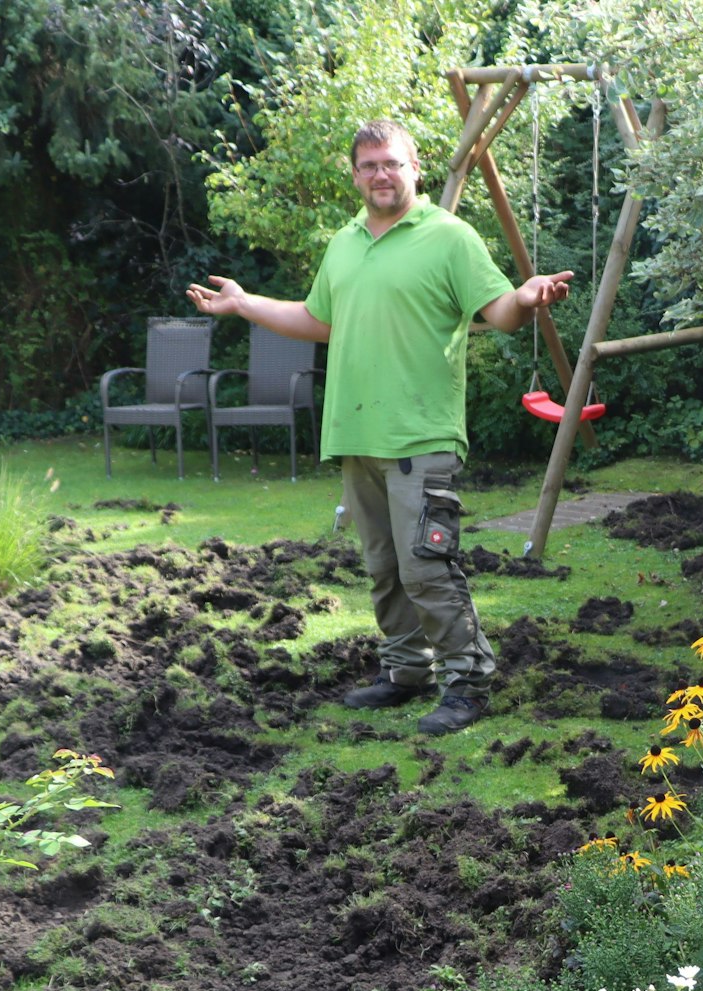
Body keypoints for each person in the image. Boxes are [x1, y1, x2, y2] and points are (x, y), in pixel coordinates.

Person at [187, 119, 574, 736]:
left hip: (421, 434)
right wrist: (243, 303)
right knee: (385, 565)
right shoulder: (344, 242)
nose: (380, 175)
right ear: (356, 175)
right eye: (368, 166)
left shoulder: (449, 237)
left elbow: (496, 313)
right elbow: (318, 319)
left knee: (428, 566)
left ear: (414, 168)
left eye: (391, 164)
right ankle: (405, 671)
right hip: (355, 434)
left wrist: (525, 298)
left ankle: (466, 681)